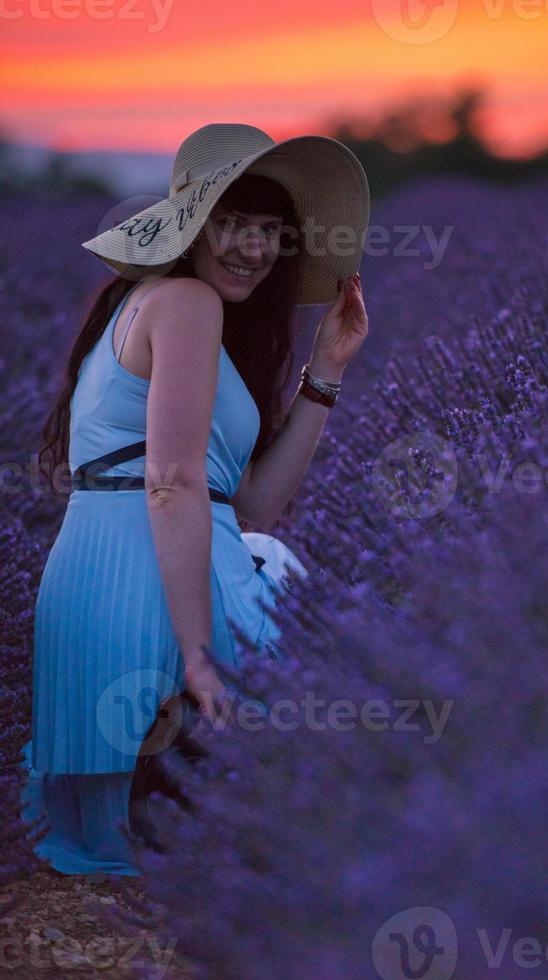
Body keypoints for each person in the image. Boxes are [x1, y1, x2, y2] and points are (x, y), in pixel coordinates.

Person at [19, 123, 370, 877]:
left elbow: (248, 509)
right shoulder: (184, 302)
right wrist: (199, 657)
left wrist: (324, 370)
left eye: (271, 231)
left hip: (123, 570)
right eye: (233, 224)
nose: (254, 247)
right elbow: (173, 485)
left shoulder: (164, 307)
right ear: (190, 226)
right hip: (148, 582)